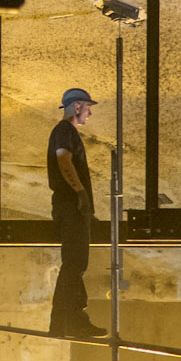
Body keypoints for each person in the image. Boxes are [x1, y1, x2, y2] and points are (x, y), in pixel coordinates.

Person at [46, 87, 105, 338]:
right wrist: (80, 194)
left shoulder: (65, 131)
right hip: (71, 207)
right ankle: (73, 320)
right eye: (87, 107)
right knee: (75, 263)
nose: (90, 113)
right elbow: (63, 159)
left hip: (69, 207)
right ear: (77, 106)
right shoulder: (65, 130)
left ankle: (61, 324)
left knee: (73, 264)